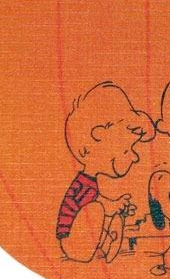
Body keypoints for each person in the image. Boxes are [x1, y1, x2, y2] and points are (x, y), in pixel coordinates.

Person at [56, 81, 155, 262]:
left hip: (82, 233)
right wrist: (113, 205)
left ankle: (104, 244)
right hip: (71, 238)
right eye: (127, 150)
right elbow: (91, 205)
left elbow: (97, 201)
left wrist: (117, 205)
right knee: (96, 210)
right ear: (99, 135)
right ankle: (86, 250)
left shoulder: (89, 181)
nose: (135, 158)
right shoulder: (83, 183)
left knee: (110, 214)